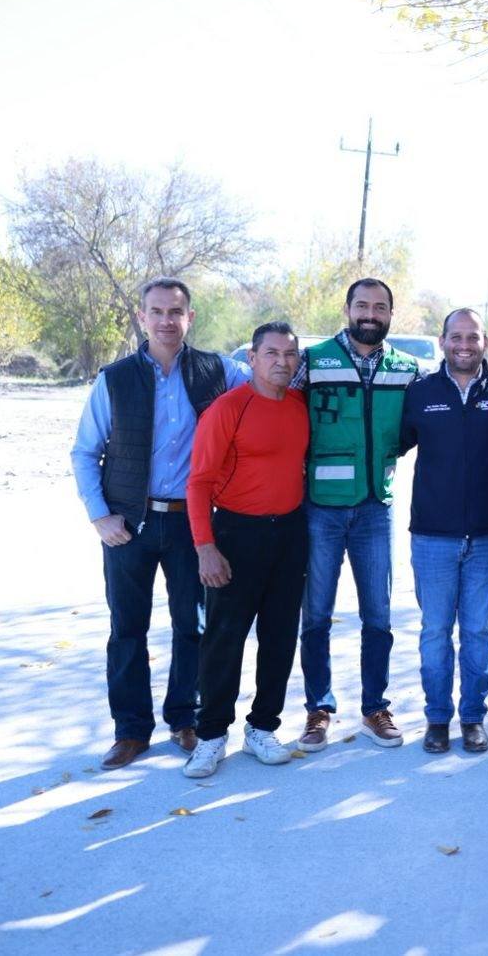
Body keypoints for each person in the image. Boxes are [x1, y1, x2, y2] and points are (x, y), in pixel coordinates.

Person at [70, 276, 249, 769]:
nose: (167, 320)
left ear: (190, 318)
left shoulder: (220, 371)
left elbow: (269, 381)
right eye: (157, 312)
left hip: (194, 523)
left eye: (176, 312)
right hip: (130, 524)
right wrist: (100, 515)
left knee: (193, 626)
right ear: (142, 317)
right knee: (127, 629)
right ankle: (131, 731)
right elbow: (86, 451)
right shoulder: (116, 377)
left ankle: (185, 719)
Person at [293, 278, 420, 752]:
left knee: (378, 615)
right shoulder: (313, 361)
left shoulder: (406, 368)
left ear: (391, 313)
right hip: (320, 509)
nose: (371, 313)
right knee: (317, 614)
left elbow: (418, 421)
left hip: (375, 507)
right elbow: (279, 406)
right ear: (347, 309)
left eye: (380, 306)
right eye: (362, 305)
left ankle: (375, 708)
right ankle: (317, 710)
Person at [181, 323, 309, 778]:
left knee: (279, 636)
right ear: (251, 359)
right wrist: (205, 547)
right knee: (224, 638)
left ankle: (262, 727)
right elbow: (198, 483)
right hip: (236, 533)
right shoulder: (227, 409)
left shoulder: (299, 406)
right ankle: (212, 735)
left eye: (290, 354)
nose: (282, 361)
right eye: (271, 353)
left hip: (291, 533)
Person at [398, 308, 488, 754]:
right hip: (432, 536)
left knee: (478, 632)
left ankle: (473, 718)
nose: (465, 345)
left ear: (485, 342)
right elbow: (392, 442)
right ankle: (437, 718)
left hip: (486, 535)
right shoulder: (421, 392)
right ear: (442, 341)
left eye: (473, 337)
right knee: (435, 631)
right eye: (456, 337)